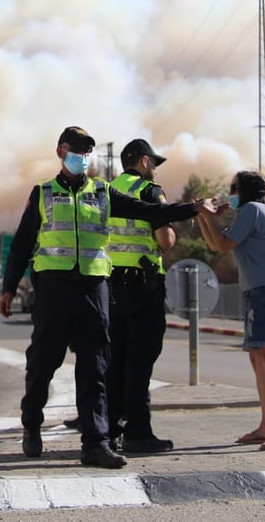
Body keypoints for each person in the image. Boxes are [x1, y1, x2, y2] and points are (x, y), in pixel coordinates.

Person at [0, 126, 214, 469]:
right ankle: (32, 423)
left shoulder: (103, 192)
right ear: (60, 152)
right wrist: (9, 287)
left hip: (95, 288)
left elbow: (150, 213)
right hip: (54, 289)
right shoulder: (42, 193)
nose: (82, 157)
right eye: (76, 151)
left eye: (87, 152)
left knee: (95, 366)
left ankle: (96, 443)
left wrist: (192, 208)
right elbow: (23, 244)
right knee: (43, 363)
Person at [195, 169, 265, 451]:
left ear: (246, 191)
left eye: (234, 188)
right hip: (256, 293)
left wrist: (206, 214)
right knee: (258, 358)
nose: (230, 193)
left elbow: (224, 243)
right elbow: (216, 244)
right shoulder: (249, 213)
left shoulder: (253, 210)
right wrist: (203, 215)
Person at [103, 138, 177, 453]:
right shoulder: (149, 192)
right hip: (143, 286)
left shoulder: (106, 191)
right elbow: (165, 240)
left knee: (115, 361)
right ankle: (138, 432)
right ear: (144, 162)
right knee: (140, 361)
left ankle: (108, 430)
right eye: (154, 164)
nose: (156, 170)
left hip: (110, 286)